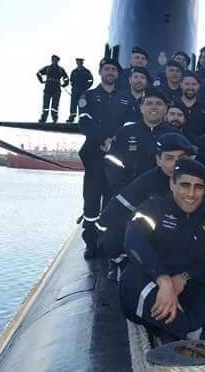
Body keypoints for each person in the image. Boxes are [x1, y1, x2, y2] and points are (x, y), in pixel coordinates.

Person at [118, 159, 205, 342]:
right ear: (172, 184)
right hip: (155, 286)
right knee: (130, 278)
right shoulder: (152, 209)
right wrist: (163, 280)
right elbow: (134, 243)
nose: (191, 194)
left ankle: (193, 331)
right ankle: (192, 332)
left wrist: (184, 277)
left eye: (198, 187)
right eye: (185, 185)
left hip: (190, 287)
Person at [97, 133, 205, 262]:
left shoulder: (200, 178)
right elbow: (110, 216)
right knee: (111, 241)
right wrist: (147, 224)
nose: (176, 164)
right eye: (169, 158)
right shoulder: (147, 181)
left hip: (191, 237)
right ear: (158, 160)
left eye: (182, 158)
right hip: (154, 236)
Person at [77, 57, 131, 259]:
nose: (110, 72)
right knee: (91, 201)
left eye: (113, 70)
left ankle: (106, 242)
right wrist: (103, 139)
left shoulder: (125, 99)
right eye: (106, 69)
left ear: (118, 74)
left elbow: (128, 125)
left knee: (110, 201)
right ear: (100, 72)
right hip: (94, 156)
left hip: (116, 158)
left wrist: (114, 141)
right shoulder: (89, 96)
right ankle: (91, 243)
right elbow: (84, 122)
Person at [104, 89, 177, 194]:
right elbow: (112, 161)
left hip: (166, 194)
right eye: (149, 103)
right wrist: (122, 189)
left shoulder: (175, 135)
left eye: (159, 104)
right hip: (129, 192)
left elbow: (181, 166)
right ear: (141, 108)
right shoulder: (125, 133)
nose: (154, 107)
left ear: (166, 109)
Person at [179, 72, 205, 140]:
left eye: (194, 84)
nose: (190, 87)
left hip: (199, 144)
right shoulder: (174, 106)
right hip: (176, 144)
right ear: (181, 85)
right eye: (187, 84)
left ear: (198, 86)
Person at [37, 54, 70, 123]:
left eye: (55, 60)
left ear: (58, 61)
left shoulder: (61, 69)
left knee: (55, 106)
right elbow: (38, 73)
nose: (54, 61)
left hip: (56, 89)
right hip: (48, 88)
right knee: (46, 105)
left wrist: (65, 84)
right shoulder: (47, 68)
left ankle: (54, 118)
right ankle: (43, 118)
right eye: (53, 59)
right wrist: (41, 80)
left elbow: (66, 78)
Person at [67, 58, 94, 123]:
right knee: (73, 104)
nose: (79, 63)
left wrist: (86, 88)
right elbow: (71, 80)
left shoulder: (86, 71)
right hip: (75, 91)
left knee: (82, 105)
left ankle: (82, 119)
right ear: (77, 63)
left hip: (83, 91)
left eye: (80, 62)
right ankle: (72, 117)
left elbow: (91, 80)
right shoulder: (74, 71)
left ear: (82, 63)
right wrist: (74, 87)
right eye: (78, 62)